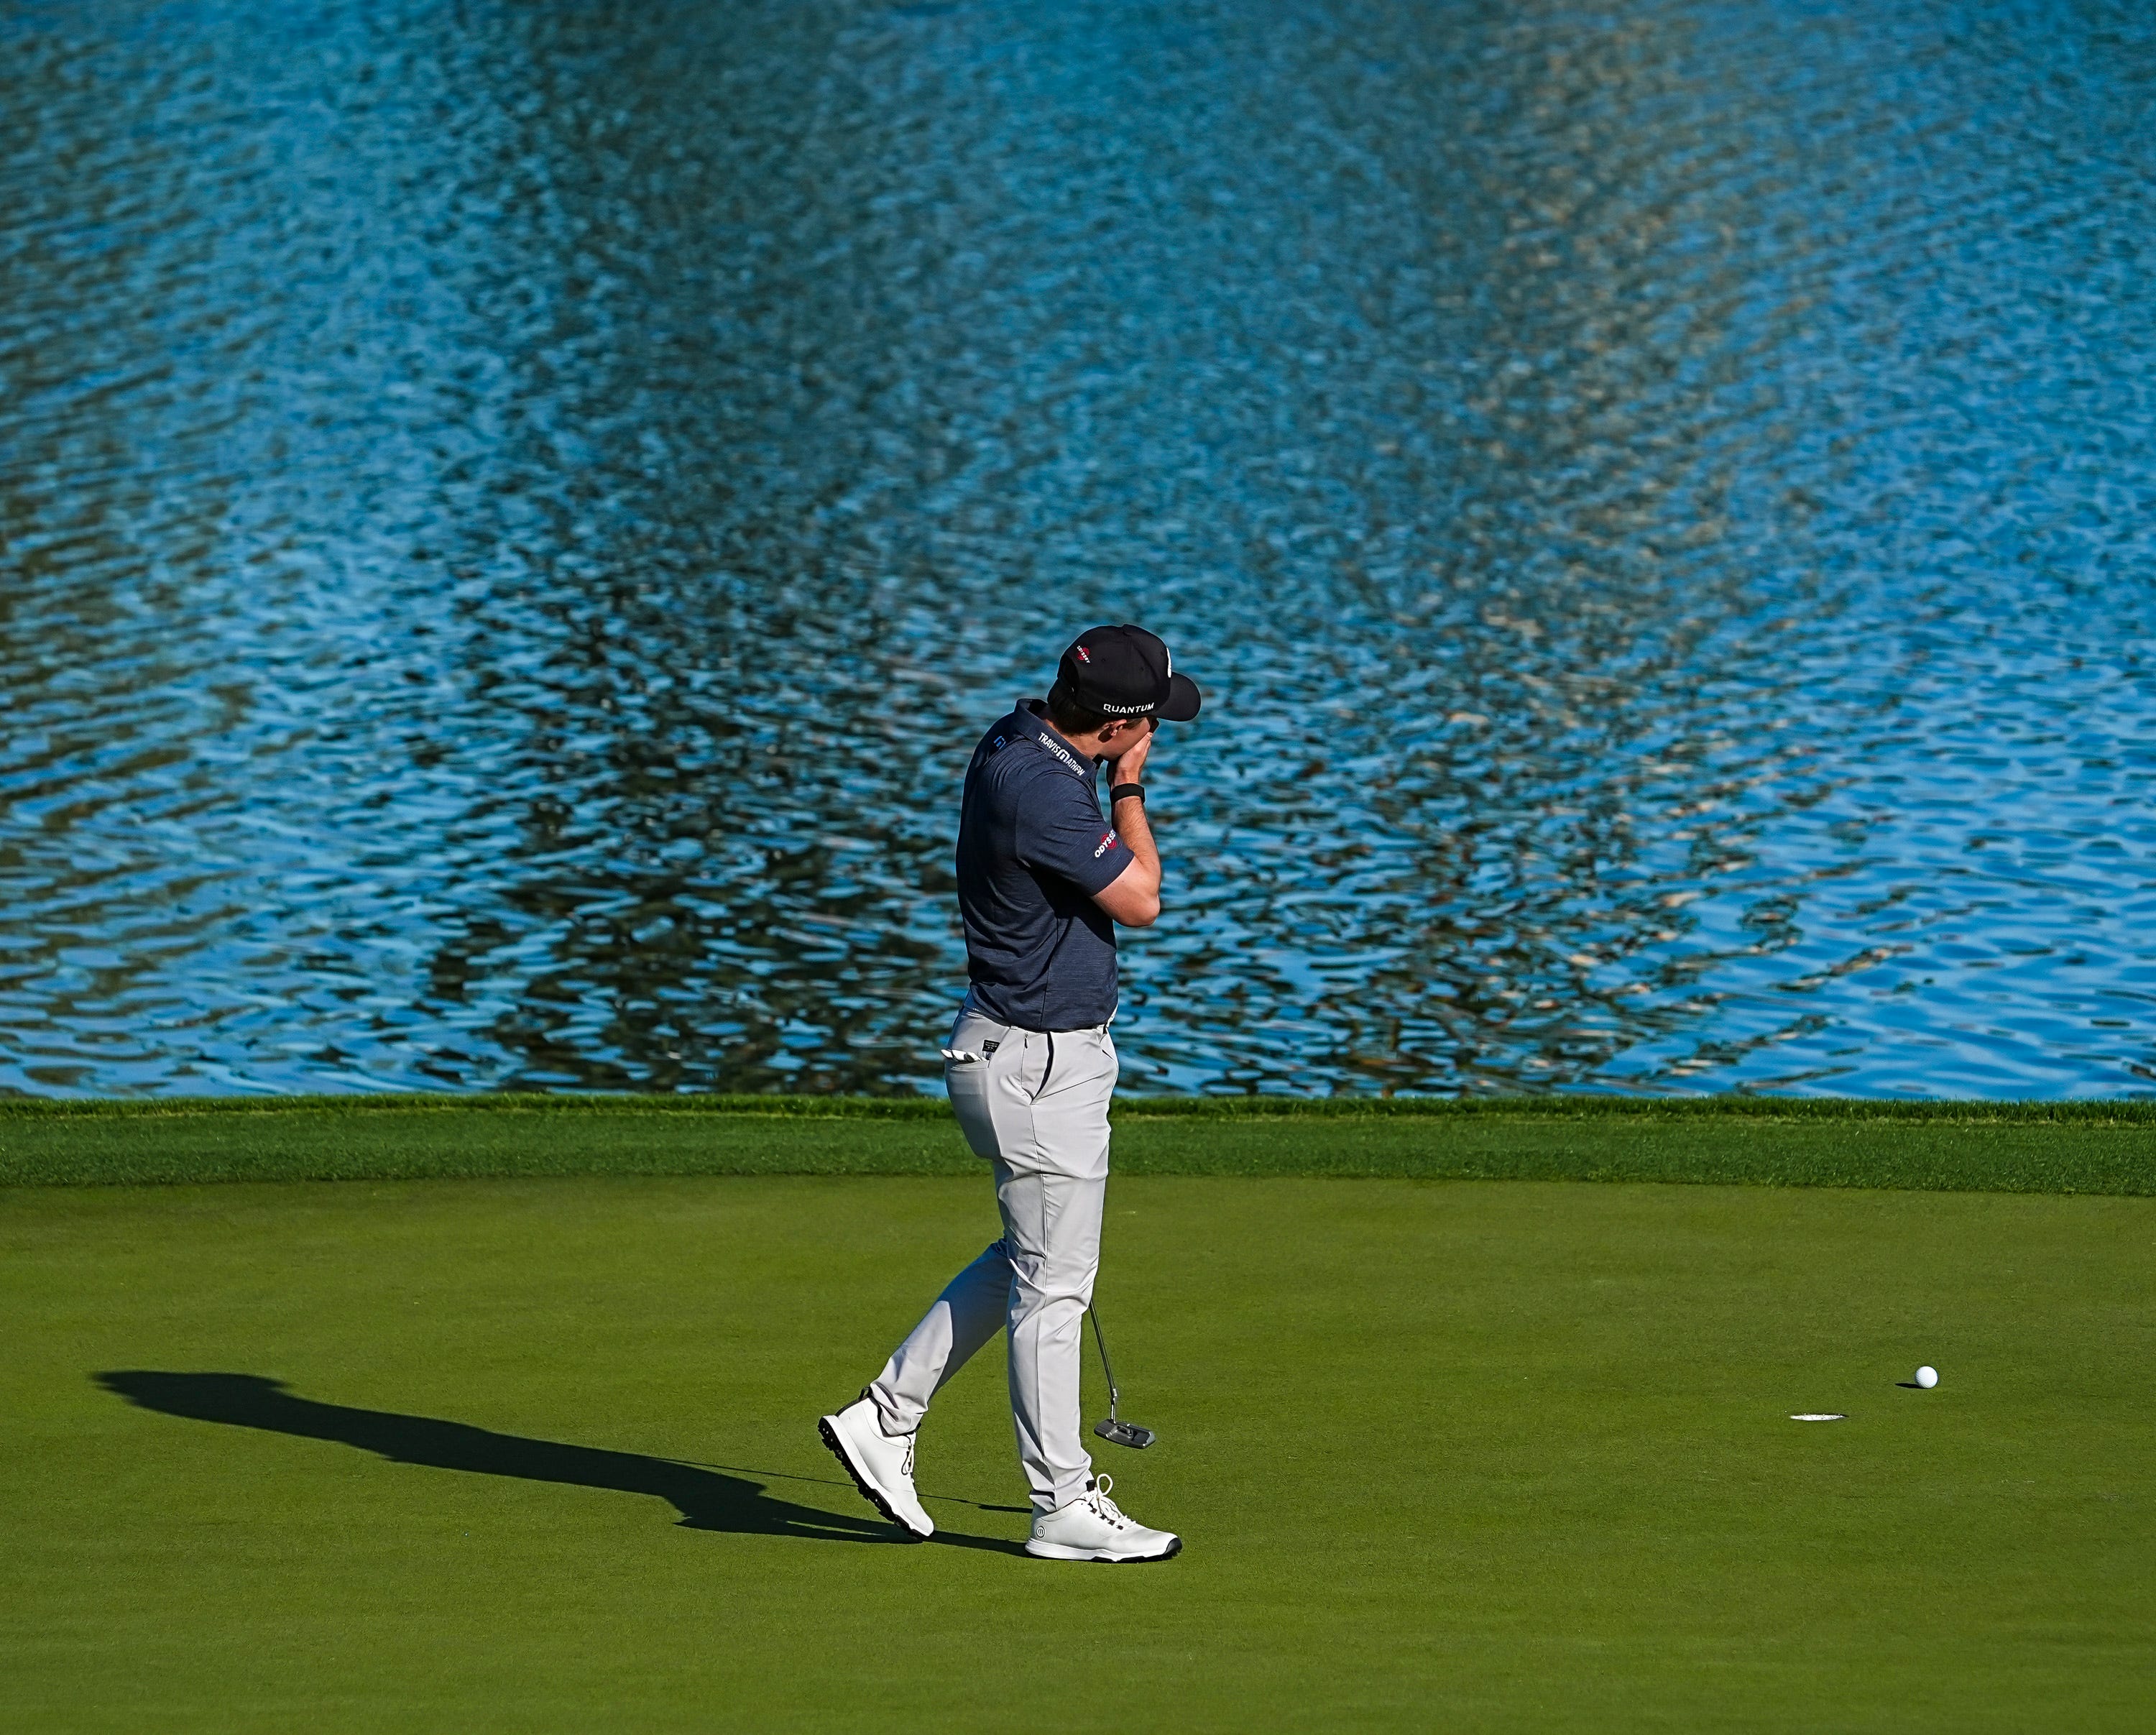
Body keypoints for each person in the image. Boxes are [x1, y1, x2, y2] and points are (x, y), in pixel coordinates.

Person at [819, 624, 1201, 1563]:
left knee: (1027, 1261)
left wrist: (1106, 766)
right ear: (1116, 724)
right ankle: (1060, 1502)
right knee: (1054, 1289)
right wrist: (1131, 786)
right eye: (1148, 716)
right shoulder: (1046, 789)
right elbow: (1144, 898)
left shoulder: (1019, 735)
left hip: (1012, 1054)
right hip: (1037, 1065)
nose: (1158, 725)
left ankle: (884, 1414)